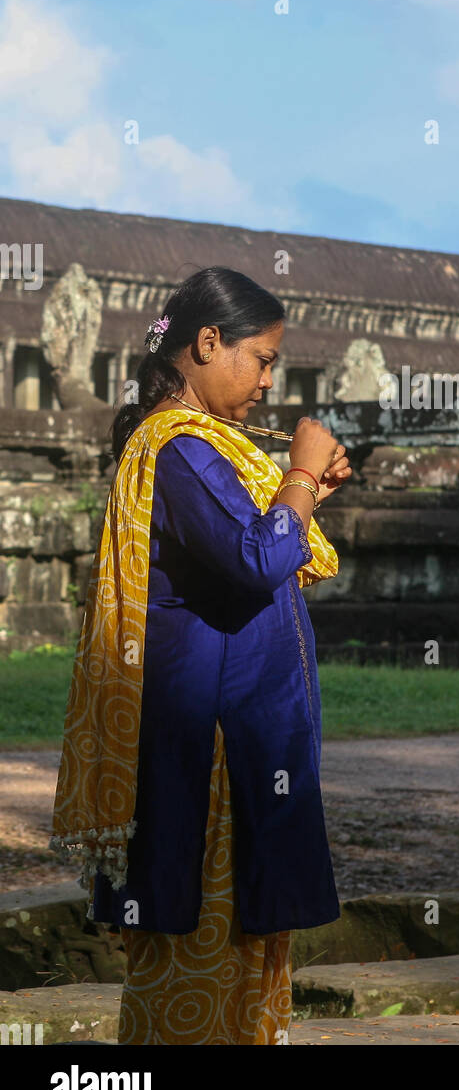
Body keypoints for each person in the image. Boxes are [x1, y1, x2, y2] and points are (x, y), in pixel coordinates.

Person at [50, 266, 351, 1045]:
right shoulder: (179, 451)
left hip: (240, 733)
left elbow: (271, 549)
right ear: (207, 342)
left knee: (244, 953)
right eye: (262, 357)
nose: (269, 379)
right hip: (211, 751)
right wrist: (304, 473)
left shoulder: (202, 448)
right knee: (206, 949)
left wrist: (307, 487)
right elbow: (258, 557)